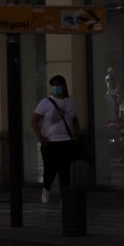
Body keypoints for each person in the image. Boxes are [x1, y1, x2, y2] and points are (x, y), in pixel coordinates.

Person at [32, 74, 82, 203]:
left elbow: (74, 119)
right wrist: (40, 136)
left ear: (63, 86)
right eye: (53, 85)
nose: (55, 87)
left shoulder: (70, 103)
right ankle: (46, 189)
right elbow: (34, 120)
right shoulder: (45, 102)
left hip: (66, 142)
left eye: (57, 85)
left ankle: (64, 198)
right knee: (49, 171)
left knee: (65, 172)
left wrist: (77, 133)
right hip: (50, 143)